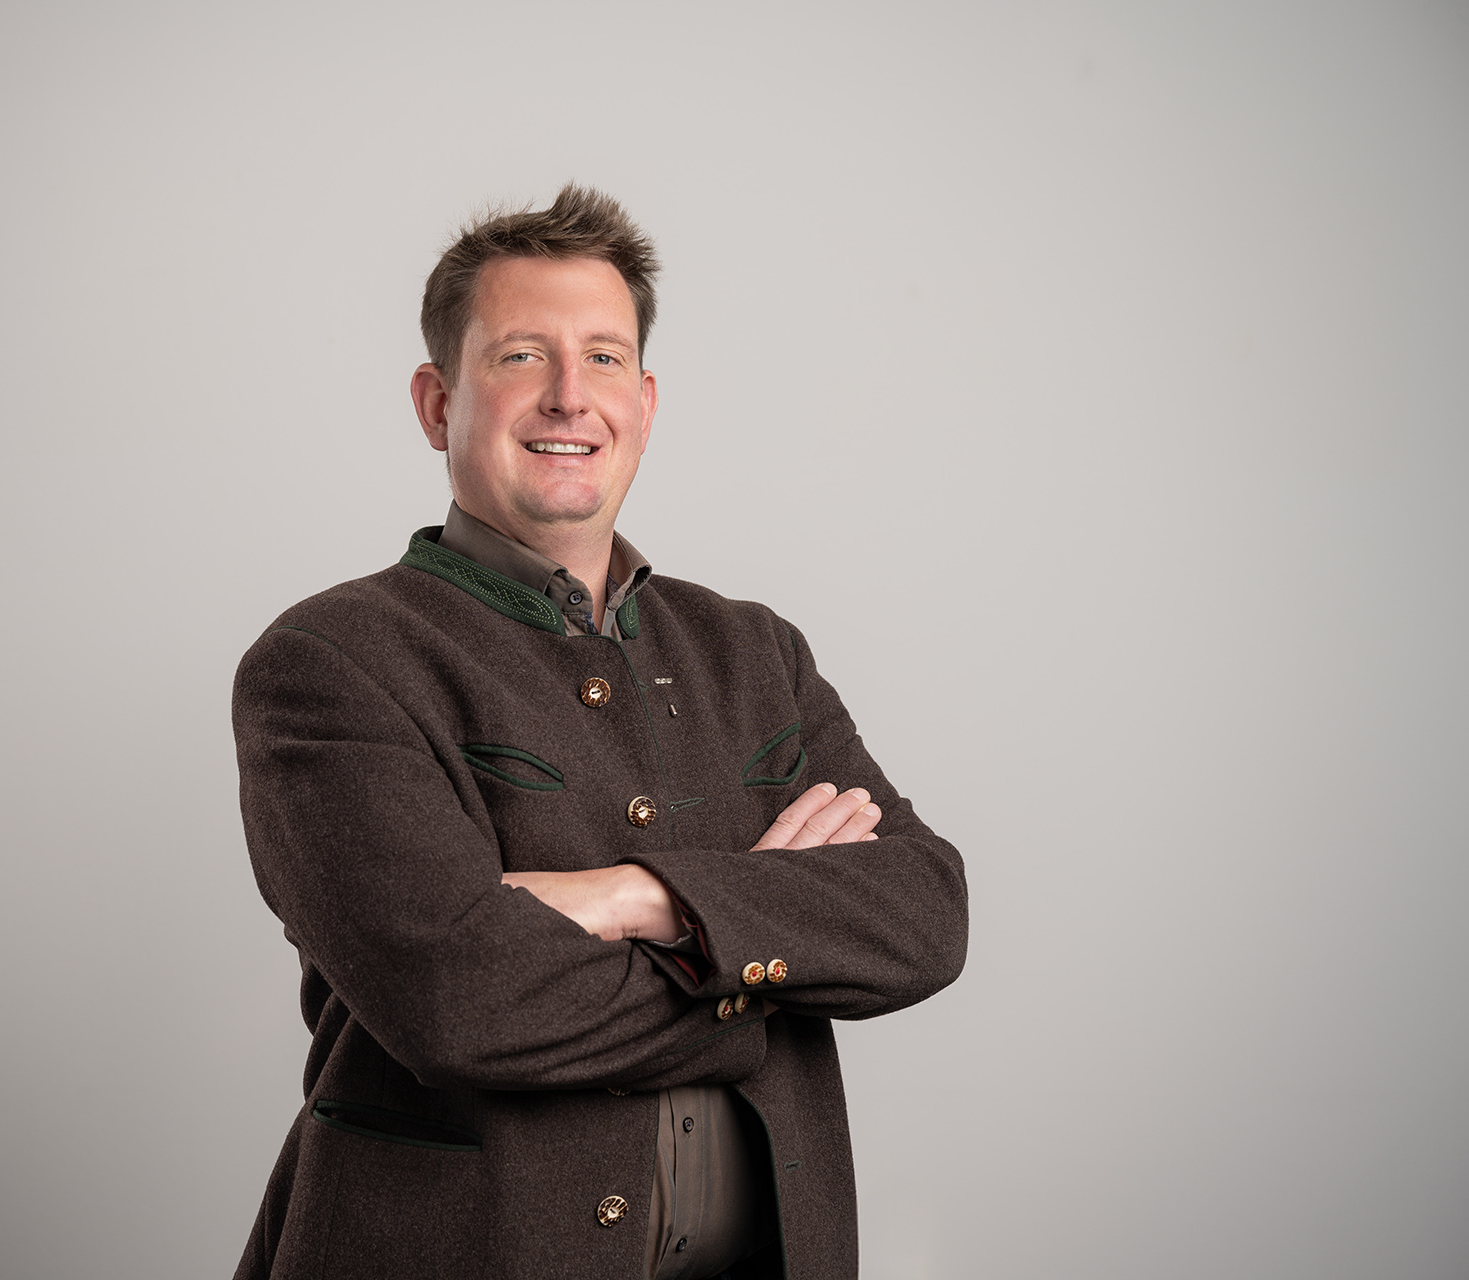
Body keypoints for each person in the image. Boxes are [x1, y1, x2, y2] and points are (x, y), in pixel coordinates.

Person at [230, 185, 967, 1279]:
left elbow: (924, 914)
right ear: (437, 402)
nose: (570, 396)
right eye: (522, 356)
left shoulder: (755, 650)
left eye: (605, 358)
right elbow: (460, 999)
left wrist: (637, 897)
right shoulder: (331, 663)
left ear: (645, 402)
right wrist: (762, 960)